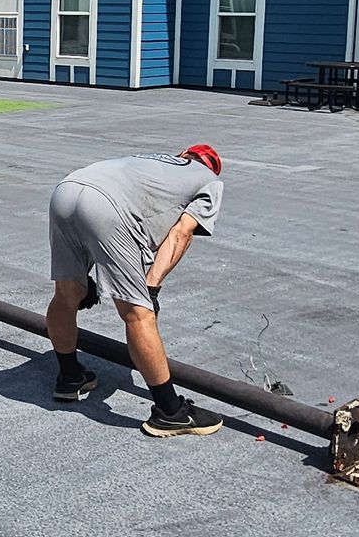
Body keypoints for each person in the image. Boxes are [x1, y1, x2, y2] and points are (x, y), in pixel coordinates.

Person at [44, 144, 225, 438]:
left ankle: (70, 377)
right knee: (137, 315)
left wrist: (84, 280)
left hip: (66, 188)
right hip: (106, 206)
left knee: (66, 294)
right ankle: (170, 412)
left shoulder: (154, 160)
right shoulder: (210, 180)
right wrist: (150, 289)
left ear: (183, 154)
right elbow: (181, 234)